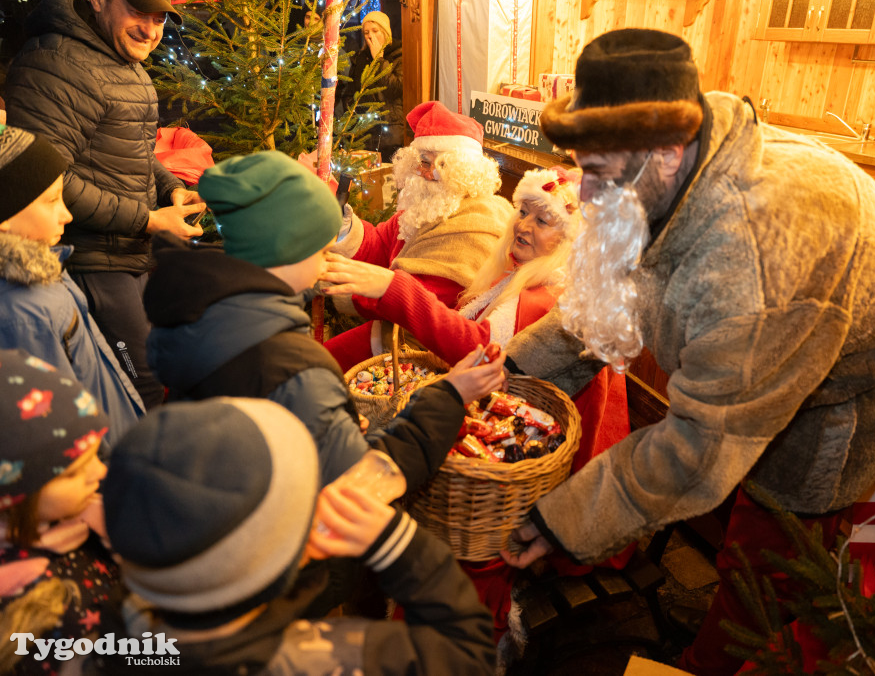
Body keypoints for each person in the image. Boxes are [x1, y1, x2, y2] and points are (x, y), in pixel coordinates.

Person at [498, 29, 875, 676]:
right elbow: (605, 299)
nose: (587, 197)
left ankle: (717, 660)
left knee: (775, 540)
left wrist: (564, 522)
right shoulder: (665, 164)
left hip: (861, 373)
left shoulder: (747, 263)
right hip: (796, 305)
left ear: (667, 153)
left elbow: (699, 446)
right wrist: (511, 372)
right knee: (747, 497)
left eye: (597, 175)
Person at [320, 166, 633, 641]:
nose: (522, 225)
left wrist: (393, 290)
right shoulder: (516, 274)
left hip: (522, 473)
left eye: (543, 220)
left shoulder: (558, 298)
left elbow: (487, 356)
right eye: (523, 211)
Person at [143, 150, 506, 491]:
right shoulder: (296, 369)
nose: (326, 260)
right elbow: (364, 480)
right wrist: (449, 397)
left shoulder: (204, 308)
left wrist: (329, 426)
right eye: (320, 248)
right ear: (290, 251)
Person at [86, 396, 495, 675]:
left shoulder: (99, 639)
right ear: (277, 561)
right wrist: (397, 544)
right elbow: (467, 652)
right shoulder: (339, 657)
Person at [3, 0, 206, 410]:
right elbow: (46, 180)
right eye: (137, 12)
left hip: (128, 254)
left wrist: (170, 188)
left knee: (154, 373)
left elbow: (132, 150)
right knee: (137, 386)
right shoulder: (57, 65)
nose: (150, 30)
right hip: (92, 261)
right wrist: (148, 220)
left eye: (159, 19)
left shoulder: (117, 60)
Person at [325, 100, 512, 372]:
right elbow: (377, 245)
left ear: (458, 170)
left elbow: (417, 300)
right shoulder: (426, 208)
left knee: (319, 367)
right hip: (394, 332)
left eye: (427, 164)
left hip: (424, 352)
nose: (419, 172)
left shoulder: (477, 224)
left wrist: (337, 284)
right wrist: (343, 224)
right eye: (418, 162)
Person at [0, 125, 145, 444]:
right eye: (51, 201)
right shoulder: (22, 312)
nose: (66, 214)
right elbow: (53, 427)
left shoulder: (44, 270)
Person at [0, 349, 123, 676]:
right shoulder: (30, 609)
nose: (100, 472)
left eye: (97, 455)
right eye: (72, 472)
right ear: (14, 498)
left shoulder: (79, 516)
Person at [340, 11, 405, 161]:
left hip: (390, 132)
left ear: (386, 32)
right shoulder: (360, 57)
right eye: (366, 32)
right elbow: (351, 92)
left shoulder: (399, 55)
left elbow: (395, 88)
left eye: (375, 31)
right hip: (363, 133)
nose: (370, 36)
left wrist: (379, 60)